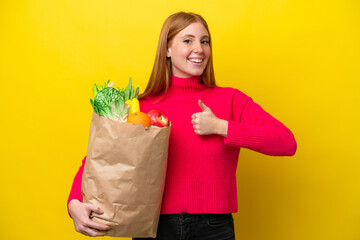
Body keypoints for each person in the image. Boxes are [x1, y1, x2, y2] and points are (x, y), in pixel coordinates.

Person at [67, 11, 297, 239]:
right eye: (188, 40)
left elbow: (286, 142)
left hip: (213, 228)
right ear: (166, 50)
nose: (199, 48)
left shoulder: (230, 100)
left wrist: (221, 127)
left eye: (204, 41)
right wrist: (73, 202)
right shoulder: (142, 106)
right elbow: (101, 158)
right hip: (153, 225)